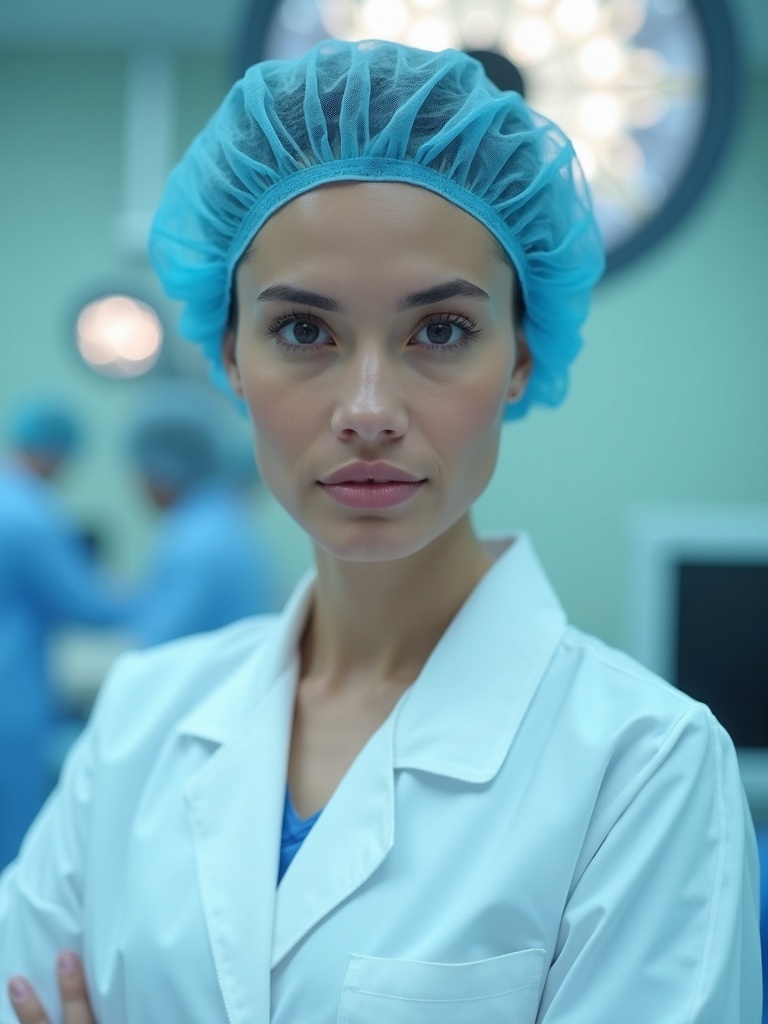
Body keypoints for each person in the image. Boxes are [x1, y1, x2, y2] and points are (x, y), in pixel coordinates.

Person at [1, 40, 761, 1024]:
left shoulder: (646, 768)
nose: (368, 408)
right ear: (232, 358)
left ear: (521, 358)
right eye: (304, 331)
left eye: (439, 330)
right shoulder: (143, 722)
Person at [0, 398, 132, 872]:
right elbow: (86, 606)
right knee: (14, 843)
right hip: (10, 704)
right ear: (56, 452)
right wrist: (148, 594)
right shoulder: (31, 516)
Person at [126, 379, 277, 646]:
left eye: (142, 469)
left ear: (164, 469)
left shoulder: (198, 543)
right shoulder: (220, 522)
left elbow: (157, 651)